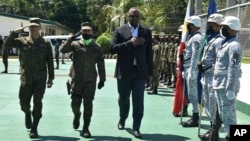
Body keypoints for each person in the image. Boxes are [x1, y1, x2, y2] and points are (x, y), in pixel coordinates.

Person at [2, 17, 54, 138]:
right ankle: (27, 113)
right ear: (29, 28)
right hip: (26, 78)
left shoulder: (45, 43)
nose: (33, 28)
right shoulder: (22, 41)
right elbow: (6, 44)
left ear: (40, 28)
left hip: (40, 79)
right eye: (31, 26)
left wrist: (51, 78)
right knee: (23, 103)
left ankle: (34, 128)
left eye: (36, 26)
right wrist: (15, 32)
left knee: (37, 102)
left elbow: (50, 61)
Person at [110, 7, 153, 138]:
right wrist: (130, 43)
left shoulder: (146, 31)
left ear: (139, 17)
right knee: (123, 98)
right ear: (128, 16)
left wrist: (150, 73)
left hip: (140, 72)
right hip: (124, 72)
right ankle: (122, 118)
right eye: (131, 16)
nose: (133, 18)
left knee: (138, 100)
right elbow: (112, 48)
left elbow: (149, 54)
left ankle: (136, 127)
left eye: (136, 16)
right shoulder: (120, 30)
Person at [60, 22, 106, 138]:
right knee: (74, 104)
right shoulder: (75, 44)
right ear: (81, 32)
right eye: (84, 31)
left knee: (88, 104)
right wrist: (70, 39)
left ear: (92, 32)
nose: (86, 32)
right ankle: (77, 115)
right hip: (77, 80)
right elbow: (62, 50)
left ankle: (86, 127)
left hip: (90, 80)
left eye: (88, 31)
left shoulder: (97, 47)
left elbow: (101, 64)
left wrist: (102, 79)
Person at [211, 16, 242, 141]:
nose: (223, 29)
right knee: (224, 114)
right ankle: (230, 135)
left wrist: (230, 88)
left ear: (233, 29)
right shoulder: (225, 44)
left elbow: (233, 68)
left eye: (226, 27)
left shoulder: (234, 46)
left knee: (230, 115)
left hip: (226, 85)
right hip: (219, 84)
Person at [198, 13, 224, 140]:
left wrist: (206, 67)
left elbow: (219, 61)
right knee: (207, 103)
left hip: (213, 77)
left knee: (213, 104)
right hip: (206, 77)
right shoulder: (210, 39)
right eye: (208, 24)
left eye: (212, 25)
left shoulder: (219, 41)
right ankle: (211, 128)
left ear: (219, 26)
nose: (209, 27)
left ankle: (214, 131)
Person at [181, 16, 203, 127]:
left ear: (193, 25)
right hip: (188, 68)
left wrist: (192, 69)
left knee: (193, 95)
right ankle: (194, 115)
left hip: (192, 69)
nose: (187, 26)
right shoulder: (191, 37)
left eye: (189, 24)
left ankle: (195, 117)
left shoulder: (197, 38)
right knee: (191, 94)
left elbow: (196, 54)